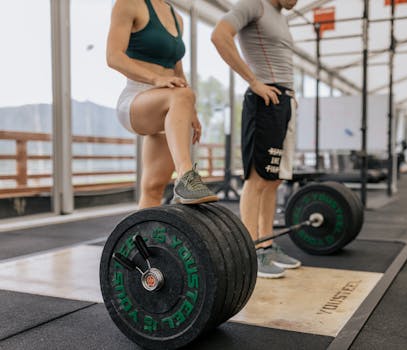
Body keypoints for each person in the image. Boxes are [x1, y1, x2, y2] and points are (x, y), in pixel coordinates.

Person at [212, 0, 301, 278]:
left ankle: (266, 245)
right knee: (257, 178)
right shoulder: (255, 4)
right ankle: (250, 251)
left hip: (283, 101)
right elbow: (219, 35)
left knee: (274, 180)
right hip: (264, 99)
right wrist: (253, 81)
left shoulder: (279, 15)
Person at [107, 0, 218, 208]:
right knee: (183, 95)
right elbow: (114, 57)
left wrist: (190, 110)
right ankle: (186, 176)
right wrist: (156, 80)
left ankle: (140, 239)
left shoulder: (177, 18)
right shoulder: (129, 3)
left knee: (154, 187)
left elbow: (177, 71)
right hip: (137, 98)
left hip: (171, 104)